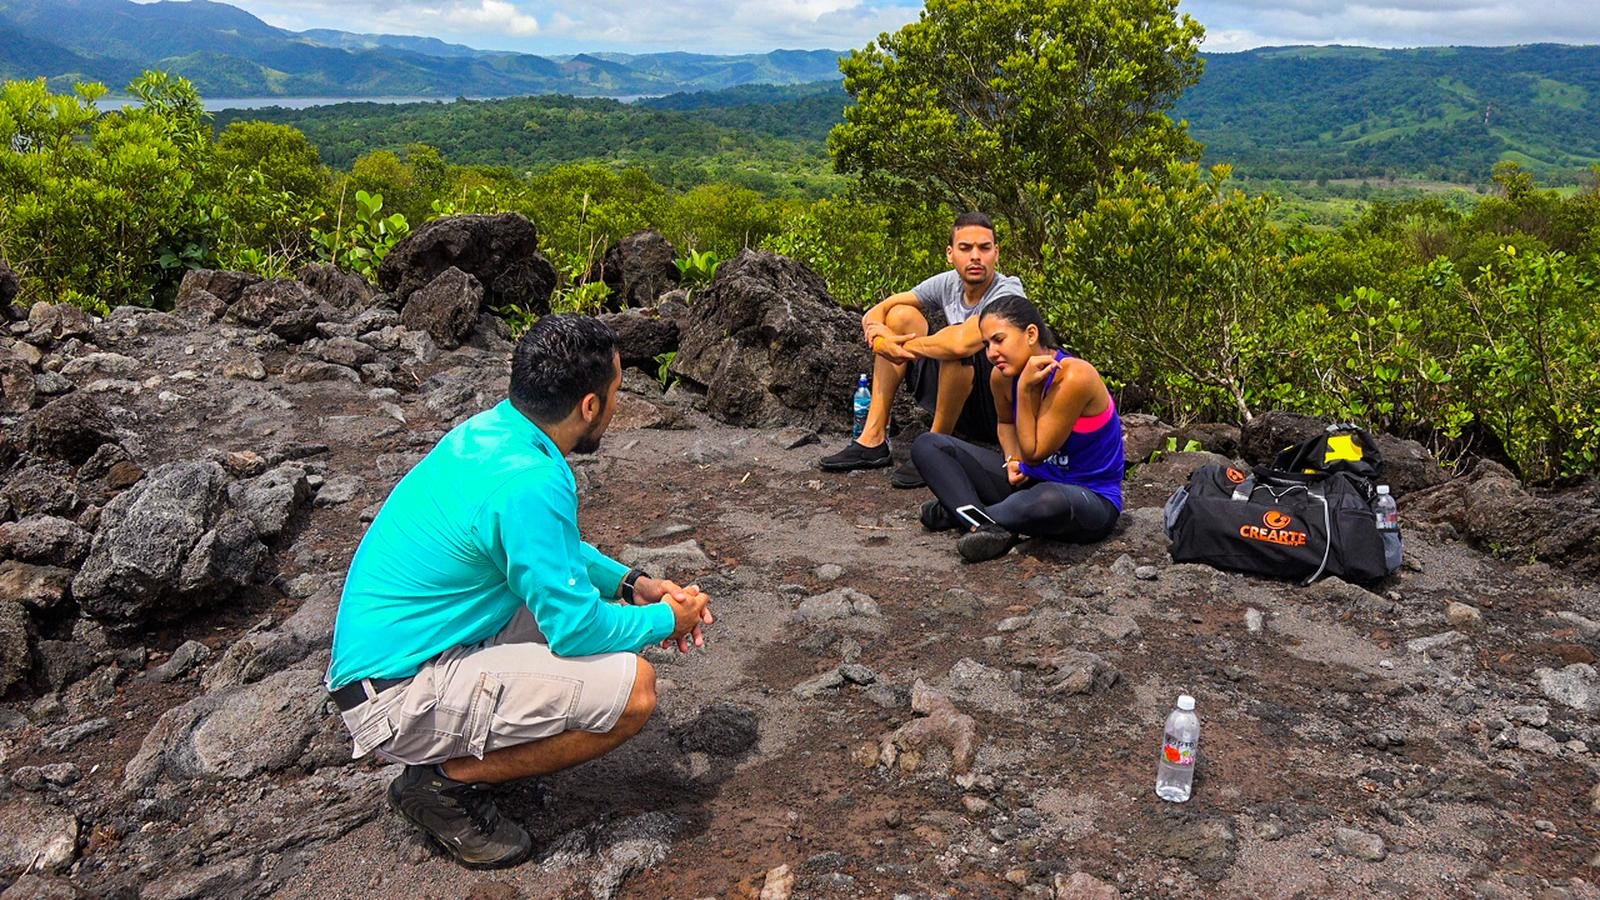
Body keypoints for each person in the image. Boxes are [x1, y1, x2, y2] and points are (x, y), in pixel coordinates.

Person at [326, 314, 714, 869]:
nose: (617, 404)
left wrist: (637, 587)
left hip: (405, 652)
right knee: (635, 693)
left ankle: (461, 747)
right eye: (616, 391)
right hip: (393, 697)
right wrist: (667, 622)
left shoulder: (495, 432)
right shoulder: (530, 480)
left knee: (600, 631)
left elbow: (548, 551)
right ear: (588, 405)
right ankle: (440, 783)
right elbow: (576, 630)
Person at [819, 211, 1026, 488]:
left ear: (996, 253)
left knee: (954, 349)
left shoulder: (1007, 291)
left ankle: (934, 449)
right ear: (950, 254)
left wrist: (897, 344)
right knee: (900, 315)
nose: (975, 256)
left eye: (984, 248)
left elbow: (961, 342)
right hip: (955, 397)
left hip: (996, 409)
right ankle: (873, 439)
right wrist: (878, 335)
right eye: (965, 248)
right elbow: (879, 309)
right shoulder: (948, 282)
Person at [911, 294, 1124, 562]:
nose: (991, 354)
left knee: (1045, 501)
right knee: (929, 444)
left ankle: (961, 512)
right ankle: (985, 524)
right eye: (986, 345)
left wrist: (1025, 390)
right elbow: (1006, 423)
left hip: (1088, 496)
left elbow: (1035, 451)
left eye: (999, 340)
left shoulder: (1073, 376)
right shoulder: (1000, 377)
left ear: (1031, 334)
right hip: (1030, 480)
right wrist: (1012, 459)